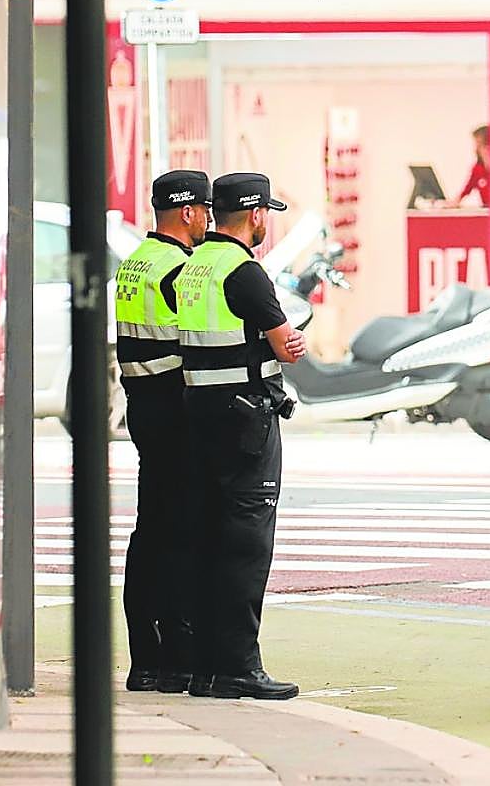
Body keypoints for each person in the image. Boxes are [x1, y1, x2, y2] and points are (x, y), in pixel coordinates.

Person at [176, 172, 307, 700]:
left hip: (197, 413)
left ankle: (205, 667)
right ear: (255, 215)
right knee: (247, 545)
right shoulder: (244, 272)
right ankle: (238, 667)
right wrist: (289, 343)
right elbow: (285, 345)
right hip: (245, 419)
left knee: (208, 539)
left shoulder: (194, 267)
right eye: (265, 214)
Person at [115, 169, 212, 693]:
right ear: (190, 212)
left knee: (149, 532)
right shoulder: (180, 269)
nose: (208, 223)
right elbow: (195, 339)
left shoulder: (135, 263)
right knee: (178, 534)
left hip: (142, 404)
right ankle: (175, 657)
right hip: (175, 407)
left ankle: (144, 659)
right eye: (206, 212)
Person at [453, 124, 490, 207]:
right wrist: (454, 202)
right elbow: (466, 190)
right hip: (486, 211)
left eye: (479, 144)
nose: (476, 148)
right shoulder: (477, 168)